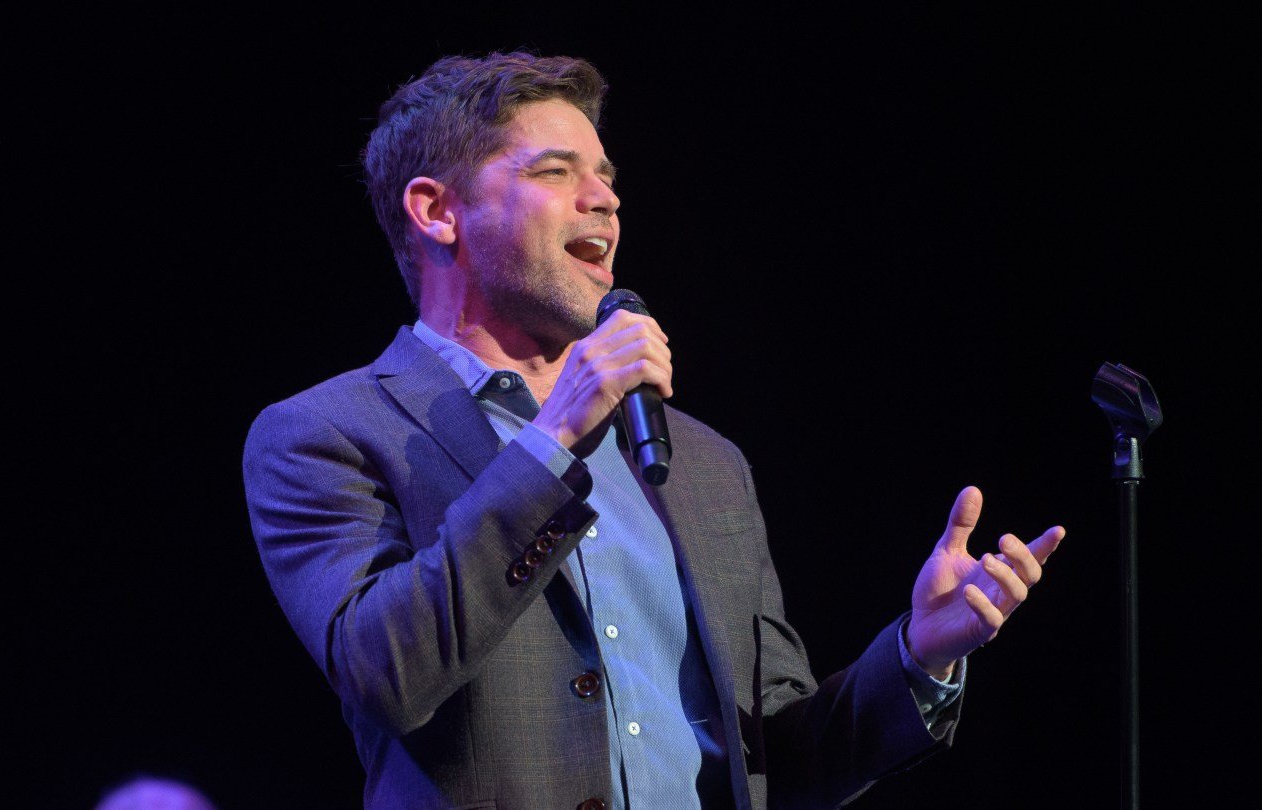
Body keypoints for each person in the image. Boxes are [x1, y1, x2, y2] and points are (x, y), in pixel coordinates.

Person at [242, 52, 1064, 809]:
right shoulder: (328, 434)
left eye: (605, 176)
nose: (604, 198)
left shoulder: (704, 461)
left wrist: (919, 656)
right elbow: (385, 673)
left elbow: (779, 763)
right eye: (555, 171)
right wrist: (554, 439)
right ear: (437, 212)